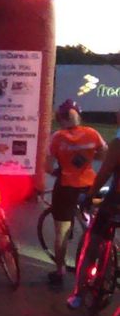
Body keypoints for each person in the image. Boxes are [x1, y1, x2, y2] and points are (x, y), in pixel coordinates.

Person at [43, 99, 106, 288]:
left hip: (66, 187)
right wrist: (89, 158)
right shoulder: (92, 133)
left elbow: (47, 166)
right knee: (92, 225)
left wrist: (58, 171)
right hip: (89, 186)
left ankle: (60, 271)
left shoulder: (57, 137)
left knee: (61, 232)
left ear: (61, 118)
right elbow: (103, 153)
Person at [67, 133, 120, 311]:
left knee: (92, 244)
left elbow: (105, 171)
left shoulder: (118, 143)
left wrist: (90, 196)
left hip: (116, 203)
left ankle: (78, 295)